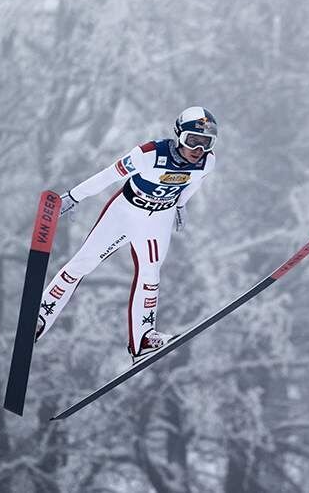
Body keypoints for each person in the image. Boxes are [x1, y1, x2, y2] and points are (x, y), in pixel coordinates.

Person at [35, 106, 218, 363]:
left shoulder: (206, 162)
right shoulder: (149, 155)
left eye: (206, 143)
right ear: (179, 136)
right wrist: (74, 196)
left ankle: (143, 338)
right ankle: (41, 314)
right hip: (125, 213)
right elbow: (108, 175)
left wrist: (179, 205)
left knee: (151, 274)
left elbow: (193, 183)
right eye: (192, 141)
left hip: (158, 220)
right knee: (83, 263)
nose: (198, 150)